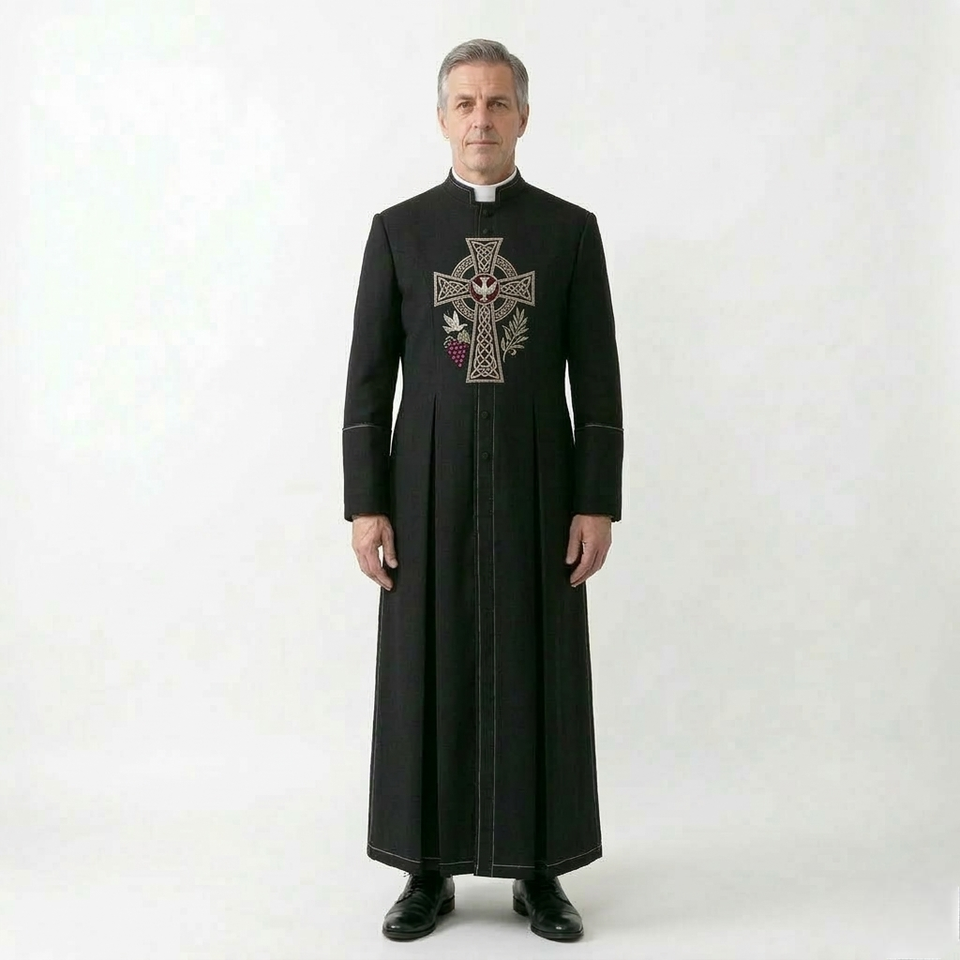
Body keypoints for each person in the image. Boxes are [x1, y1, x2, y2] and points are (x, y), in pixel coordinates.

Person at [342, 38, 623, 942]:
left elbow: (598, 378)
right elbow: (367, 378)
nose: (481, 120)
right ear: (441, 118)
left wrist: (596, 500)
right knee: (426, 667)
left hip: (541, 488)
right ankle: (425, 870)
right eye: (465, 103)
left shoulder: (569, 231)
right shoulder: (400, 231)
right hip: (425, 489)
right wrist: (366, 504)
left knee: (540, 666)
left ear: (524, 118)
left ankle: (542, 870)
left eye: (498, 103)